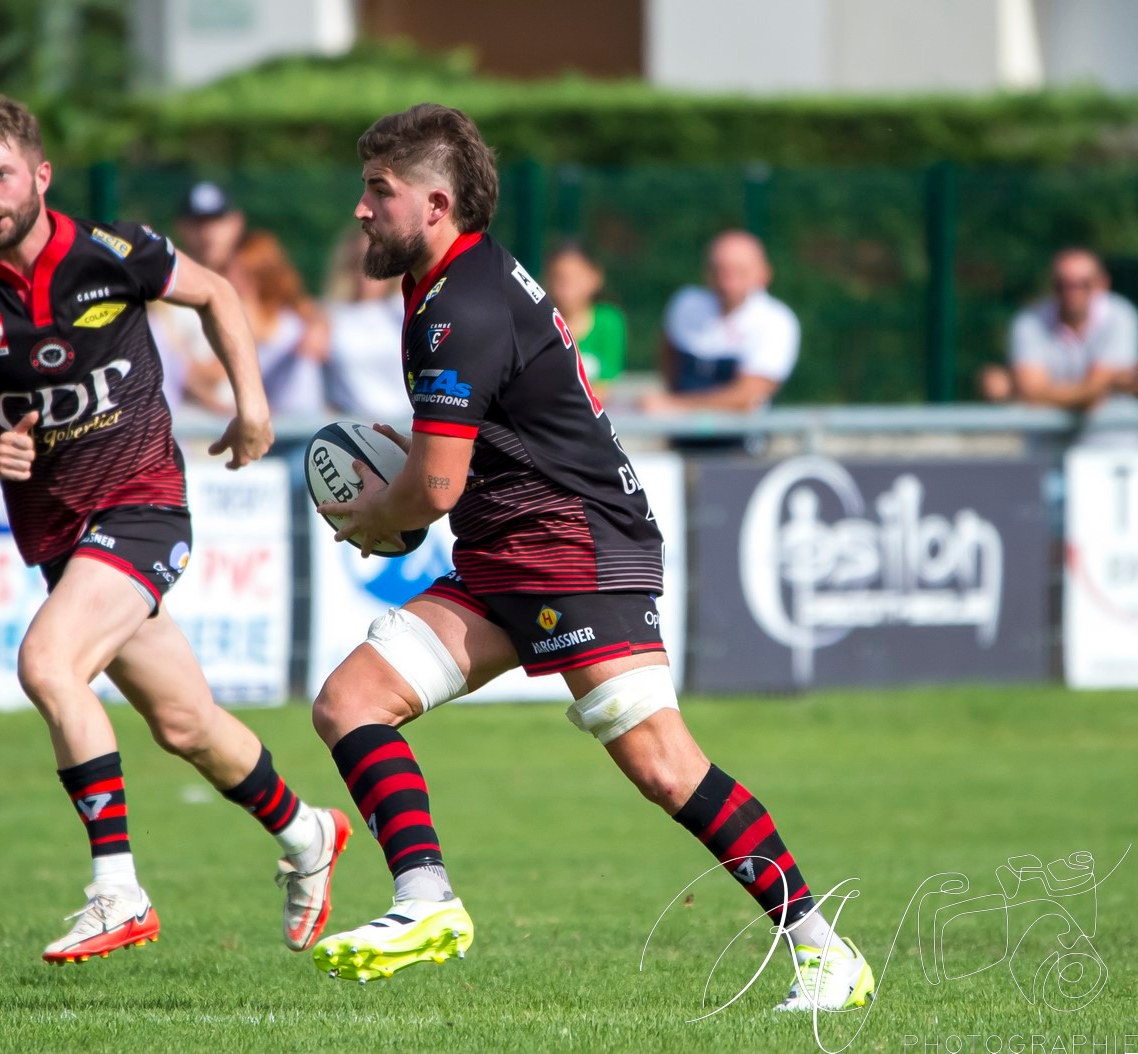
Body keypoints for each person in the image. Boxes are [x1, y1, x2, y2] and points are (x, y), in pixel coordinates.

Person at [310, 103, 872, 1013]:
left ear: (438, 202)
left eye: (381, 191)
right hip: (507, 551)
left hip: (575, 547)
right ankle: (425, 900)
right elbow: (455, 471)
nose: (363, 210)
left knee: (664, 767)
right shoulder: (450, 283)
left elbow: (437, 489)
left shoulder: (461, 307)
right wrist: (405, 490)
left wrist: (381, 512)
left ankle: (823, 950)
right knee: (350, 702)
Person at [0, 94, 350, 964]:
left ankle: (116, 891)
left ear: (39, 176)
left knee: (47, 664)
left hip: (144, 508)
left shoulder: (114, 252)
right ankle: (307, 835)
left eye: (0, 175)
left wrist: (253, 408)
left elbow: (218, 294)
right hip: (64, 539)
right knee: (186, 724)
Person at [640, 230, 799, 415]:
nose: (727, 281)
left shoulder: (776, 321)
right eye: (719, 270)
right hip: (683, 434)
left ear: (763, 274)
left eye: (739, 271)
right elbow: (668, 355)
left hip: (740, 438)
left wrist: (676, 405)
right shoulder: (685, 305)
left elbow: (747, 396)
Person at [981, 248, 1138, 408]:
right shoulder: (1028, 321)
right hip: (1045, 431)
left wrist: (1017, 389)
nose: (1072, 292)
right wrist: (1105, 386)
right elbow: (1093, 392)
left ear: (1102, 283)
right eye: (1062, 284)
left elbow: (1034, 393)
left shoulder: (1121, 316)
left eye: (1083, 284)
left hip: (1111, 432)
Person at [147, 182, 248, 412]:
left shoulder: (256, 285)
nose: (208, 233)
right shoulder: (161, 296)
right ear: (181, 226)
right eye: (198, 223)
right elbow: (178, 370)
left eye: (216, 221)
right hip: (189, 430)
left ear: (236, 223)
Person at [228, 231, 329, 416]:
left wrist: (319, 327)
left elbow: (317, 320)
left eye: (243, 273)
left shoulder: (293, 313)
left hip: (303, 421)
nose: (233, 278)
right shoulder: (231, 314)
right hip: (264, 422)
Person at [321, 228, 408, 421]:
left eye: (378, 257)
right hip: (356, 428)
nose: (367, 267)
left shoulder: (406, 309)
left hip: (409, 423)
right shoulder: (330, 316)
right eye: (359, 258)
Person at [544, 241, 627, 397]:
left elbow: (606, 386)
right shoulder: (538, 323)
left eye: (575, 277)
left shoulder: (609, 321)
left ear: (595, 277)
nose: (567, 285)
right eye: (559, 277)